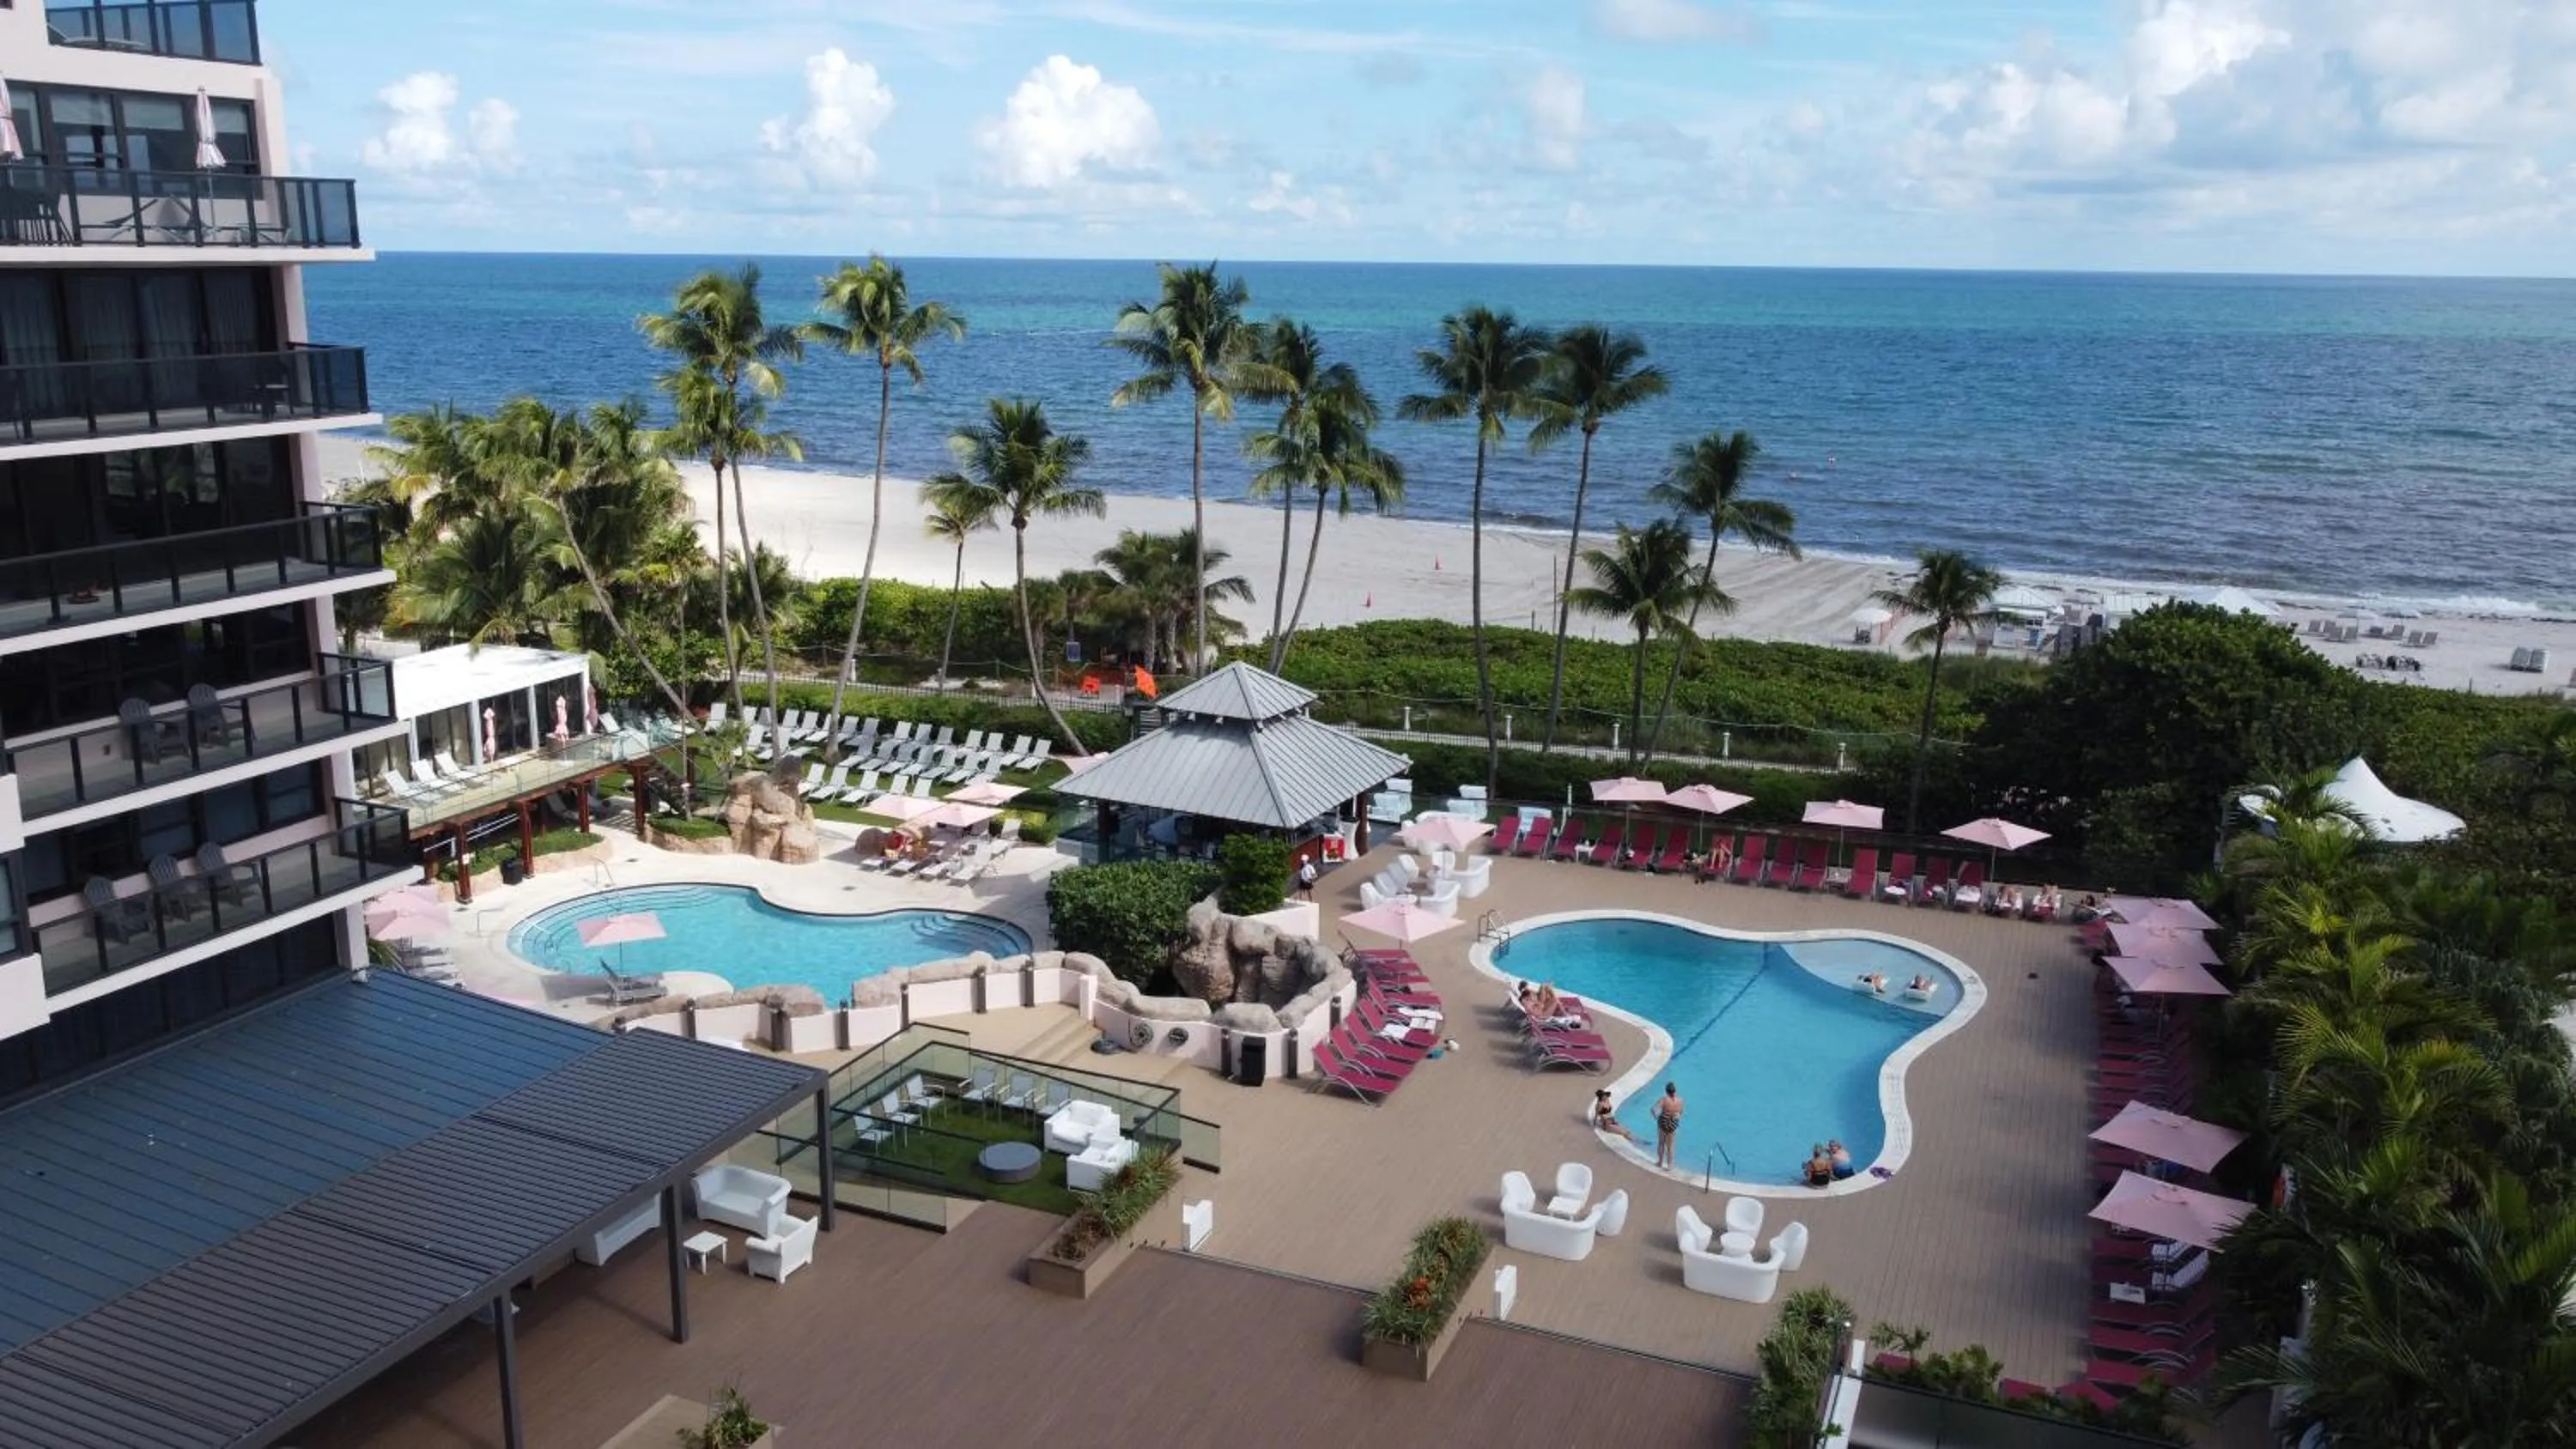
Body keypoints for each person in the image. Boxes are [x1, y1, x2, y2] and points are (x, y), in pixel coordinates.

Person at [1653, 1083, 1685, 1168]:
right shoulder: (1680, 1101)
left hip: (1663, 1122)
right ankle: (1670, 1165)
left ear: (1666, 1091)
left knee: (1661, 1143)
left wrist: (1656, 1116)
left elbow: (1653, 1109)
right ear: (1675, 1091)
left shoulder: (1664, 1100)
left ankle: (1660, 1162)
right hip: (1673, 1124)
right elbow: (1680, 1113)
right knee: (1670, 1146)